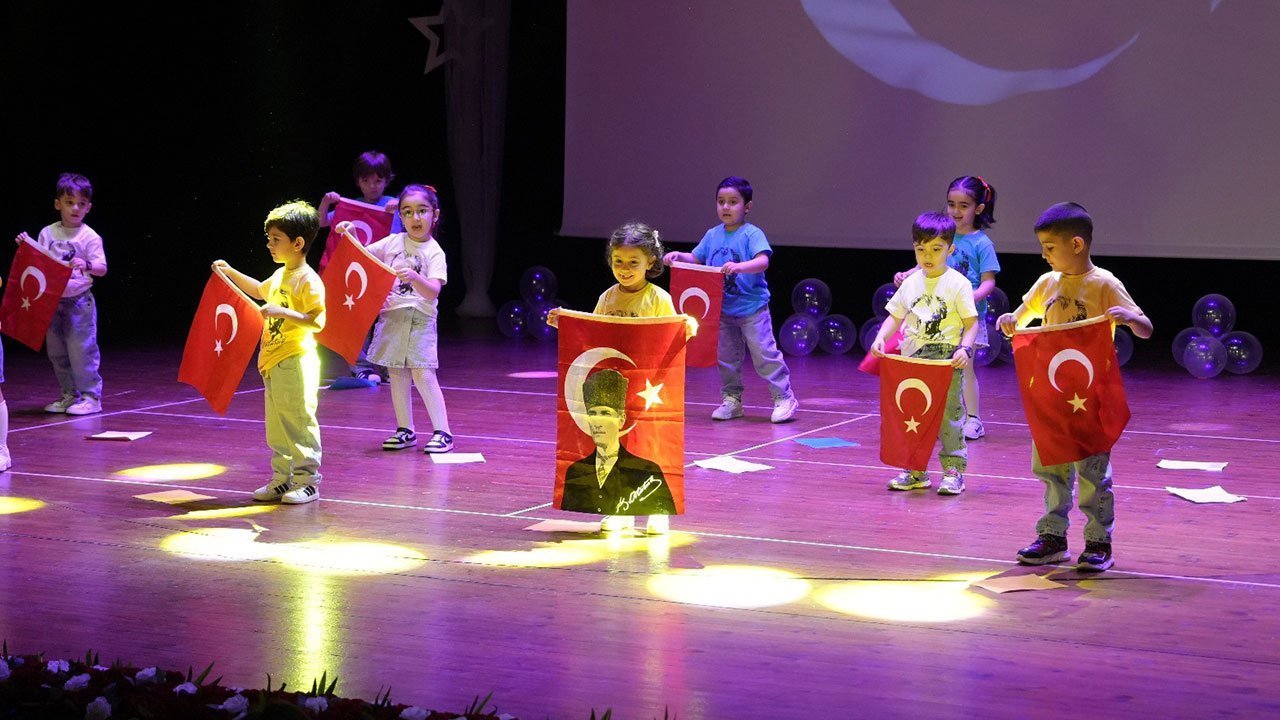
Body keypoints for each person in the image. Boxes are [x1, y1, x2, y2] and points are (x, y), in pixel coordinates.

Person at [999, 202, 1151, 572]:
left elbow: (1146, 328)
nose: (1044, 254)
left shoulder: (1104, 283)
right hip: (1051, 396)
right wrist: (1010, 320)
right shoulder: (1046, 283)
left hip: (1089, 397)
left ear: (1077, 244)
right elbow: (1020, 319)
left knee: (1092, 471)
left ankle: (1099, 541)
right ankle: (1052, 536)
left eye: (1050, 247)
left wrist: (1129, 318)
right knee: (1051, 469)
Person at [549, 222, 694, 534]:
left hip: (648, 388)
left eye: (633, 262)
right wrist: (567, 324)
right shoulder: (608, 298)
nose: (624, 269)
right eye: (618, 261)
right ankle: (620, 508)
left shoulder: (657, 298)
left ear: (650, 262)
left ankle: (656, 508)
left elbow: (670, 335)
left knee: (650, 445)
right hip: (614, 389)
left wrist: (686, 327)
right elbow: (593, 334)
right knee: (614, 448)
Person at [214, 201, 327, 504]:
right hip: (273, 361)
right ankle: (281, 478)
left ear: (298, 243)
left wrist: (283, 312)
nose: (269, 245)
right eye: (269, 239)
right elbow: (258, 290)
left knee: (298, 421)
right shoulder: (280, 275)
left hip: (296, 360)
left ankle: (307, 481)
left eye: (276, 239)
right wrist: (230, 272)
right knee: (276, 425)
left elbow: (317, 321)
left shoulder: (307, 279)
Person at [663, 176, 798, 423]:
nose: (726, 207)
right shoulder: (712, 235)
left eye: (733, 202)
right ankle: (732, 400)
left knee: (764, 355)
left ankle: (784, 397)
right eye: (721, 201)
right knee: (726, 359)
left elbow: (763, 261)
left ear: (747, 206)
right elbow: (696, 258)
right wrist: (679, 256)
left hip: (752, 309)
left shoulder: (752, 234)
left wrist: (739, 267)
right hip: (722, 310)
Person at [872, 211, 979, 496]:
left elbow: (972, 323)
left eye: (936, 249)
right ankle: (915, 469)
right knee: (913, 414)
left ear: (950, 249)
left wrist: (965, 348)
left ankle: (953, 470)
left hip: (945, 360)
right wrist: (881, 338)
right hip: (913, 358)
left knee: (949, 417)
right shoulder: (910, 283)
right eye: (921, 249)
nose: (927, 256)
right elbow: (895, 316)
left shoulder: (958, 283)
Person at [895, 176, 1001, 440]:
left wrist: (968, 297)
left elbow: (989, 282)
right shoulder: (942, 235)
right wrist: (907, 274)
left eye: (963, 206)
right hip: (937, 317)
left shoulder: (982, 243)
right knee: (935, 367)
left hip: (965, 317)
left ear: (978, 208)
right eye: (951, 204)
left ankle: (974, 419)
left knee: (964, 368)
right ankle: (940, 417)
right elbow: (925, 264)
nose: (955, 211)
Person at [365, 184, 453, 455]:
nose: (415, 218)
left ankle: (443, 432)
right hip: (392, 316)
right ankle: (406, 429)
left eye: (422, 211)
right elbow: (363, 255)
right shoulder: (393, 242)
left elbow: (433, 291)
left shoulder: (434, 251)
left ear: (434, 215)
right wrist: (349, 233)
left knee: (423, 373)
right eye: (407, 212)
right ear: (400, 216)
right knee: (396, 373)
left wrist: (415, 277)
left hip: (419, 319)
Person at [15, 173, 107, 416]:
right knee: (57, 352)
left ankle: (91, 396)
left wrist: (86, 264)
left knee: (81, 350)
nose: (75, 208)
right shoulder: (48, 233)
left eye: (81, 203)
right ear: (58, 204)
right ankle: (69, 395)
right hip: (52, 302)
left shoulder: (89, 237)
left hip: (79, 302)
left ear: (88, 207)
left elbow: (102, 268)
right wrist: (27, 245)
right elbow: (40, 261)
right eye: (69, 202)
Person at [317, 150, 402, 383]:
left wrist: (401, 205)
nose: (372, 186)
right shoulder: (351, 207)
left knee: (387, 323)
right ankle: (360, 367)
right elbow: (322, 222)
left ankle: (386, 367)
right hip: (358, 276)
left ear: (387, 180)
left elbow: (420, 217)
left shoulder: (396, 206)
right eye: (366, 180)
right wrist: (325, 202)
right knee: (358, 323)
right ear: (358, 182)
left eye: (378, 180)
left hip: (387, 274)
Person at [562, 369, 677, 523]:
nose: (598, 422)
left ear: (621, 419)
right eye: (592, 413)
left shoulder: (647, 470)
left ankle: (645, 514)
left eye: (605, 413)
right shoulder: (575, 471)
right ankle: (619, 514)